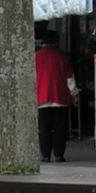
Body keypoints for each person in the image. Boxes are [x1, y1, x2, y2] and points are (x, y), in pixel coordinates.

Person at [33, 28, 79, 163]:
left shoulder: (36, 57)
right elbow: (69, 78)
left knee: (44, 128)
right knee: (60, 128)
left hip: (41, 97)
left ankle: (45, 155)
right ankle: (59, 155)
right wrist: (74, 94)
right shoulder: (61, 56)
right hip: (60, 96)